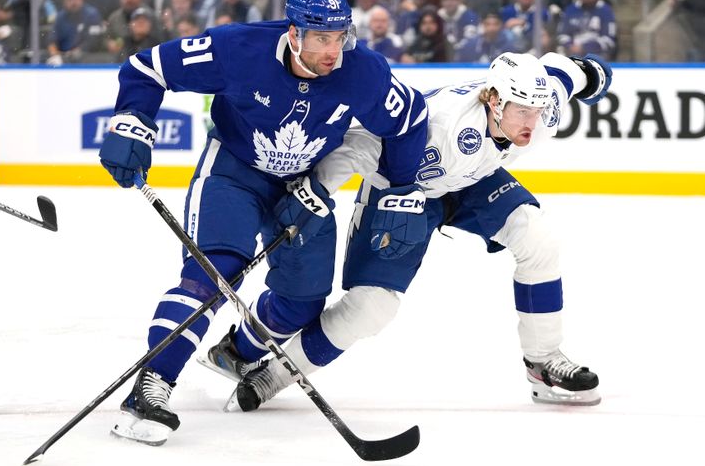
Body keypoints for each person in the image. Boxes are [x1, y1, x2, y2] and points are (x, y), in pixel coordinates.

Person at [98, 0, 428, 445]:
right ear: (294, 33)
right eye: (320, 38)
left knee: (304, 300)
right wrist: (133, 120)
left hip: (303, 186)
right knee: (216, 275)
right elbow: (147, 67)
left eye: (340, 37)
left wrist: (398, 188)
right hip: (233, 173)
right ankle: (152, 387)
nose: (333, 50)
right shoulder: (237, 48)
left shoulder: (363, 73)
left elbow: (411, 118)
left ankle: (237, 352)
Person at [210, 50, 612, 413]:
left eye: (538, 110)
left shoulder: (545, 111)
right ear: (493, 99)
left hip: (472, 182)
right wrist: (318, 187)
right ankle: (273, 375)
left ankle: (543, 363)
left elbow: (563, 70)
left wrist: (591, 73)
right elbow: (364, 144)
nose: (533, 121)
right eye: (522, 111)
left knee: (538, 239)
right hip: (400, 188)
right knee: (371, 309)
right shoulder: (440, 123)